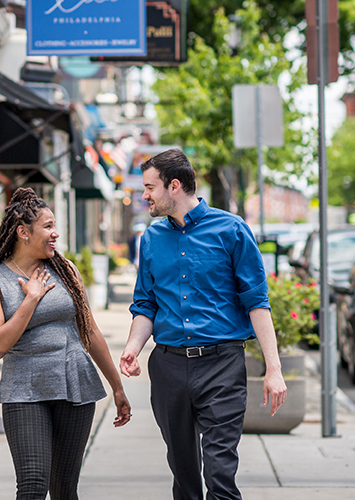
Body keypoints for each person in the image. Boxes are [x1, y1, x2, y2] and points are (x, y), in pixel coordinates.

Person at [119, 148, 286, 500]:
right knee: (184, 475)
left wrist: (274, 368)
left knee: (220, 472)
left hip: (222, 365)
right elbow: (145, 304)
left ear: (174, 186)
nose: (144, 195)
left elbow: (256, 301)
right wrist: (133, 347)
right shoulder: (151, 239)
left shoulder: (232, 230)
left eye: (150, 187)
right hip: (168, 366)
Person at [0, 187, 131, 500]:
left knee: (65, 490)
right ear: (23, 232)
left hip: (76, 384)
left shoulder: (66, 271)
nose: (55, 234)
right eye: (48, 227)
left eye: (55, 226)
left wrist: (117, 387)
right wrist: (31, 299)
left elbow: (89, 330)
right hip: (25, 390)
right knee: (33, 484)